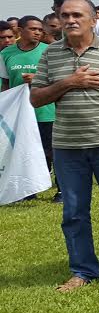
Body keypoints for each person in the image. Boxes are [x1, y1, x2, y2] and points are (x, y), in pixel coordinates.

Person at [30, 0, 99, 290]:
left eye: (77, 15)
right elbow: (36, 98)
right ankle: (82, 271)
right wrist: (70, 82)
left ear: (93, 20)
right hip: (67, 147)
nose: (70, 20)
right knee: (74, 212)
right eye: (64, 15)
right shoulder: (51, 54)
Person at [4, 16, 59, 201]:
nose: (37, 32)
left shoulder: (50, 51)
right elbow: (5, 83)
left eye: (40, 30)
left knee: (51, 150)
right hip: (19, 112)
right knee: (23, 150)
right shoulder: (6, 54)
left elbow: (59, 79)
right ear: (20, 30)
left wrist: (37, 78)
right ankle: (28, 190)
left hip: (46, 110)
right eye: (33, 29)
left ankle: (62, 189)